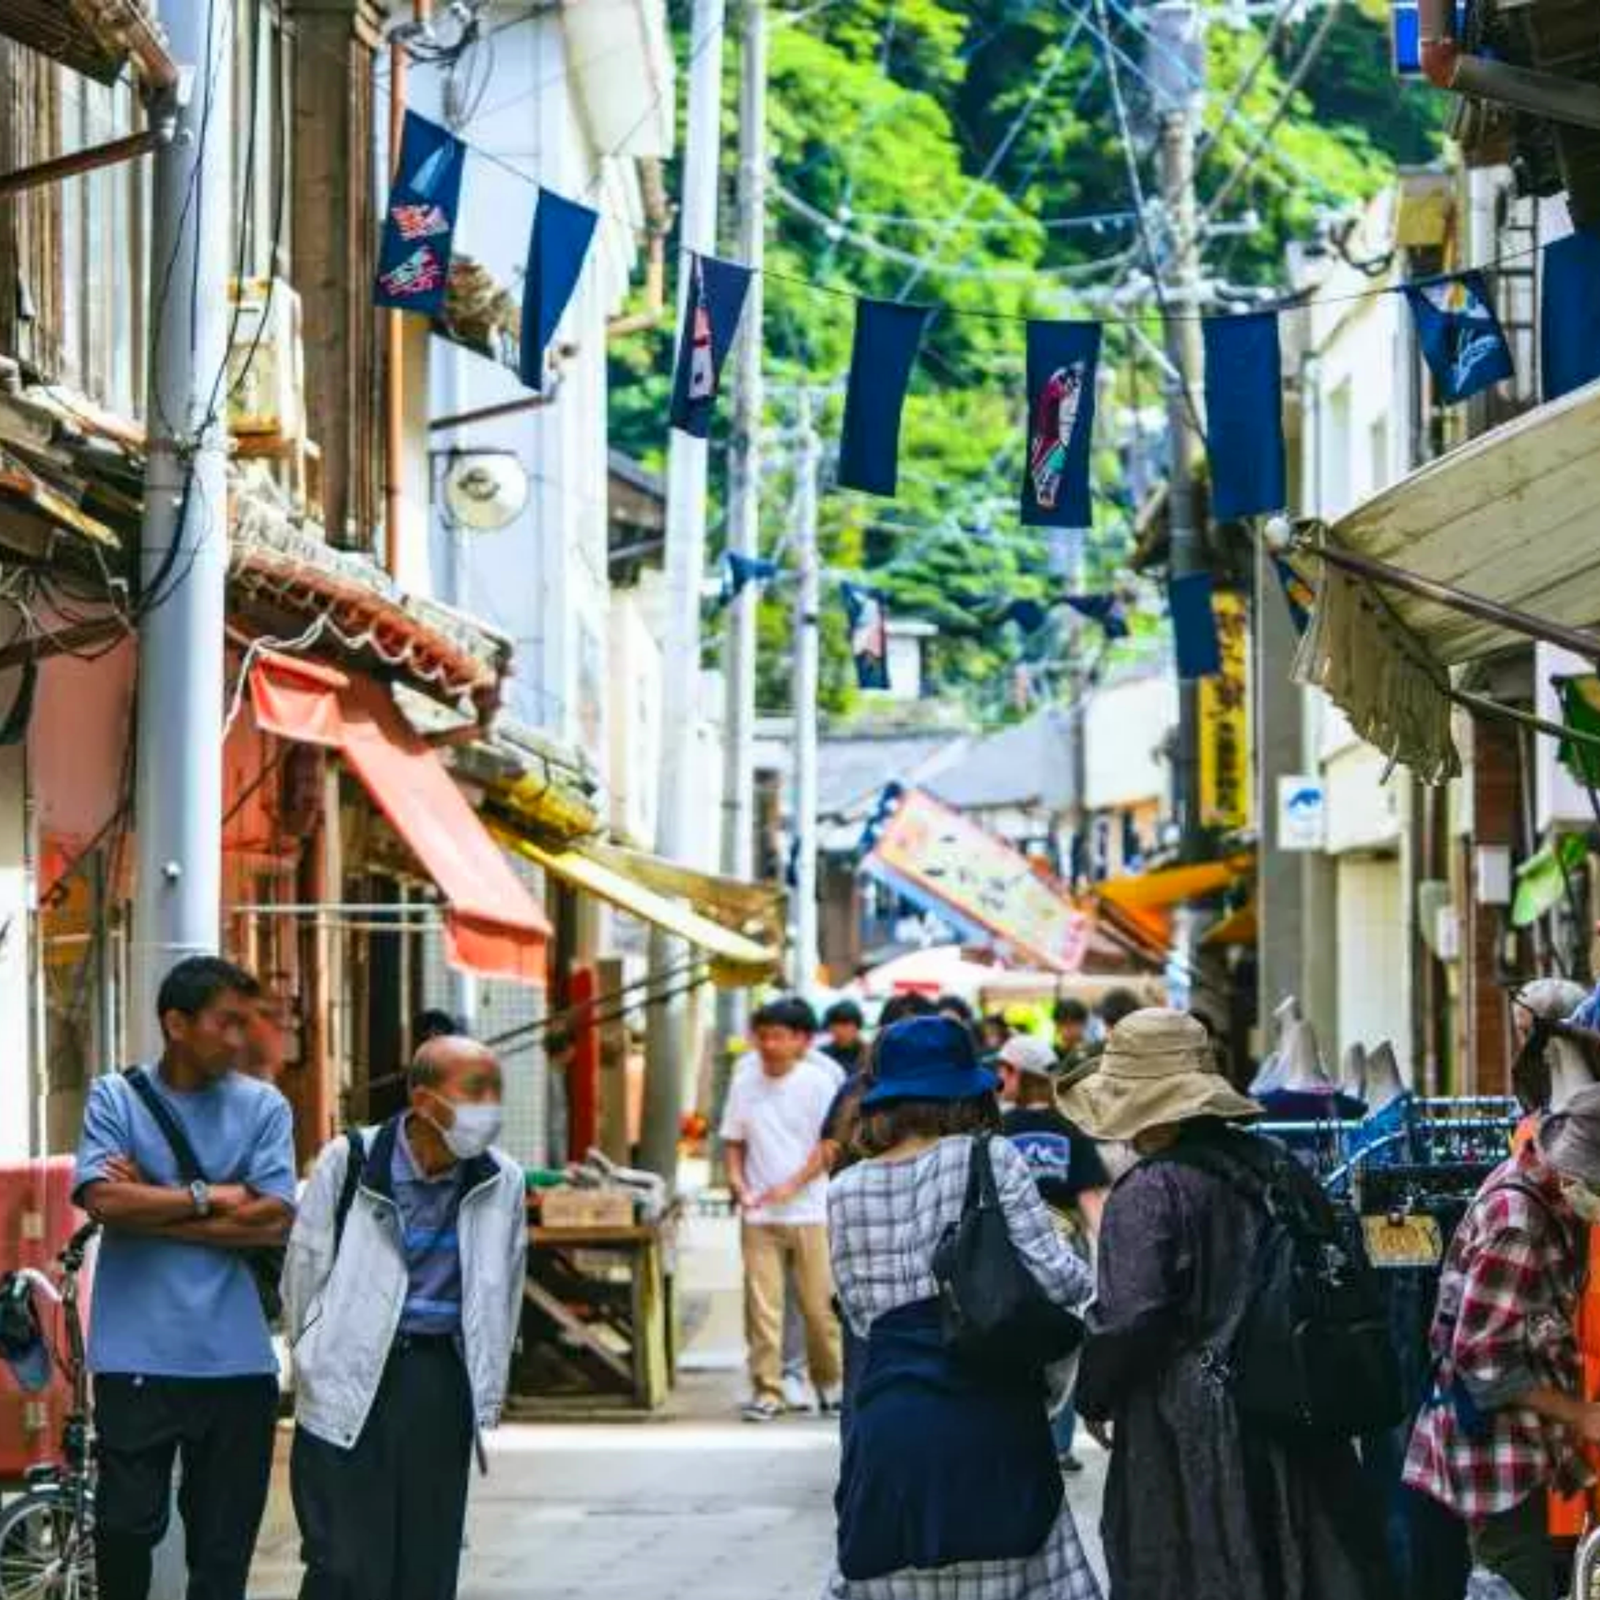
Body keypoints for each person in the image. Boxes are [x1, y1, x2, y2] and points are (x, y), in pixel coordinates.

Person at [1069, 1008, 1390, 1600]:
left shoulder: (1147, 1193)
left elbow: (1131, 1318)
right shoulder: (1278, 1167)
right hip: (1297, 1416)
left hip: (1188, 1434)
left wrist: (1094, 1394)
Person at [825, 1015, 1100, 1600]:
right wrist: (1085, 1268)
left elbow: (857, 1314)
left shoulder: (845, 1189)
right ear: (969, 1092)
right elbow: (1057, 1279)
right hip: (988, 1415)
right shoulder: (990, 1158)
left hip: (888, 1431)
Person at [73, 956, 297, 1600]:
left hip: (238, 1365)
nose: (240, 1039)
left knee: (222, 1557)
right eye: (227, 1023)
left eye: (246, 1023)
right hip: (136, 1359)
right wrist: (213, 1196)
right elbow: (104, 1201)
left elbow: (276, 1218)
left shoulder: (265, 1107)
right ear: (177, 1023)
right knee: (122, 1532)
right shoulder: (116, 1096)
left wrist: (156, 1203)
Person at [283, 1033, 527, 1600]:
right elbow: (303, 1271)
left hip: (439, 1380)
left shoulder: (502, 1179)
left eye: (495, 1090)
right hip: (351, 1373)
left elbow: (504, 1285)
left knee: (426, 1562)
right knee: (342, 1562)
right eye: (473, 1091)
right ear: (422, 1100)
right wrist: (317, 1356)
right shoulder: (351, 1160)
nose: (488, 1104)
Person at [1402, 1083, 1600, 1600]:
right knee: (1514, 1582)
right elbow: (1483, 1361)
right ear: (1573, 1172)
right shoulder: (1519, 1222)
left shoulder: (1542, 1193)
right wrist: (1580, 1416)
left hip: (1516, 1447)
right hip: (1492, 1456)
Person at [721, 997, 844, 1422]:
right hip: (759, 1216)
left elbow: (829, 1146)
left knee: (817, 1306)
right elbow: (733, 1141)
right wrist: (739, 1184)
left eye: (779, 1036)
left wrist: (789, 1185)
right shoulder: (744, 1081)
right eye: (763, 1035)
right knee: (763, 1309)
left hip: (810, 1211)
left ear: (801, 1040)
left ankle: (829, 1383)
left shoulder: (819, 1082)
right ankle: (767, 1390)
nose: (769, 1045)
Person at [998, 1033, 1110, 1474]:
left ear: (1015, 1075)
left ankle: (1015, 1436)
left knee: (1015, 1346)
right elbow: (1092, 1202)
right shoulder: (1070, 1132)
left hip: (1011, 1252)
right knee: (1064, 1342)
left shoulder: (998, 1132)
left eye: (1001, 1070)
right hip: (1065, 1251)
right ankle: (1059, 1445)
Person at [821, 999, 869, 1076]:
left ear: (857, 1026)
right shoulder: (823, 1055)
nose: (840, 1031)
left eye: (845, 1025)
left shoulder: (870, 1054)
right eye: (835, 1025)